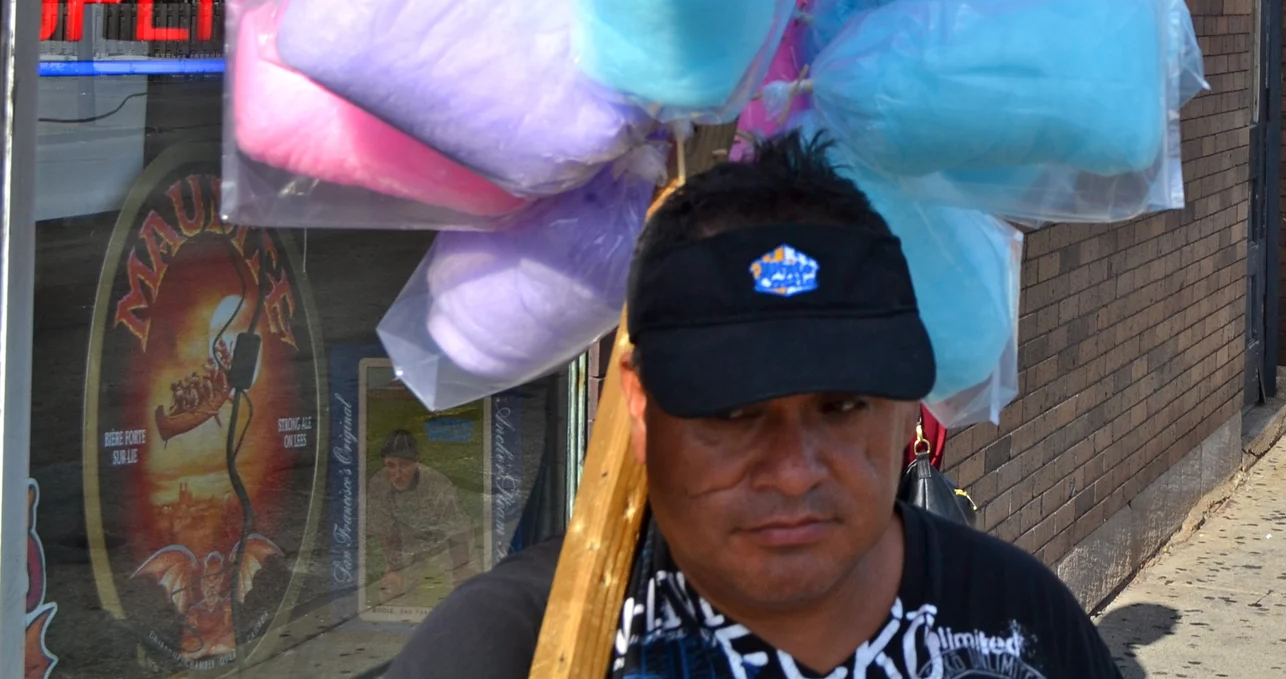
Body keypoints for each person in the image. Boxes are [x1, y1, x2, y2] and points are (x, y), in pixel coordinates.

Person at [389, 135, 1119, 679]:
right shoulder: (506, 644)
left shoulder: (1018, 626)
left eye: (841, 405)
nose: (795, 471)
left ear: (906, 410)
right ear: (639, 408)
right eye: (734, 412)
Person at [367, 428, 476, 610]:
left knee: (467, 594)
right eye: (391, 465)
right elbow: (387, 531)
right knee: (391, 594)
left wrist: (460, 570)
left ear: (417, 461)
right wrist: (394, 569)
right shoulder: (378, 484)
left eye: (404, 465)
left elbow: (457, 532)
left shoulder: (438, 484)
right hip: (407, 543)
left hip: (445, 543)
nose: (398, 473)